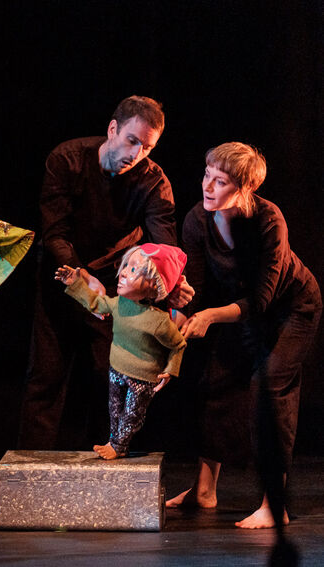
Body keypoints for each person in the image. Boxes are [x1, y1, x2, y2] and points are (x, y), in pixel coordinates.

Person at [19, 95, 193, 450]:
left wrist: (174, 286)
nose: (137, 153)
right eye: (132, 140)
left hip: (118, 288)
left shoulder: (153, 181)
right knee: (46, 379)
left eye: (147, 147)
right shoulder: (67, 159)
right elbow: (55, 233)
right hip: (63, 279)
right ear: (113, 129)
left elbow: (164, 247)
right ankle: (25, 485)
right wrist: (82, 275)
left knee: (112, 378)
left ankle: (106, 477)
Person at [166, 142, 321, 529]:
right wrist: (179, 304)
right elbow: (197, 289)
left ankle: (274, 504)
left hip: (292, 311)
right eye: (207, 175)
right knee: (214, 380)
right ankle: (204, 490)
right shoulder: (196, 221)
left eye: (221, 182)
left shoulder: (269, 221)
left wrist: (208, 317)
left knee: (268, 389)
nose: (208, 186)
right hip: (240, 312)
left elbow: (262, 299)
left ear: (245, 188)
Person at [55, 243, 187, 459]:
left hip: (143, 379)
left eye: (133, 270)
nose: (124, 272)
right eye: (126, 266)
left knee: (132, 414)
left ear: (154, 285)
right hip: (117, 369)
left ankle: (118, 445)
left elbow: (178, 345)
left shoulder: (159, 321)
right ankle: (115, 442)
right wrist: (76, 284)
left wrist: (171, 370)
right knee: (114, 410)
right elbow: (97, 303)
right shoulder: (120, 304)